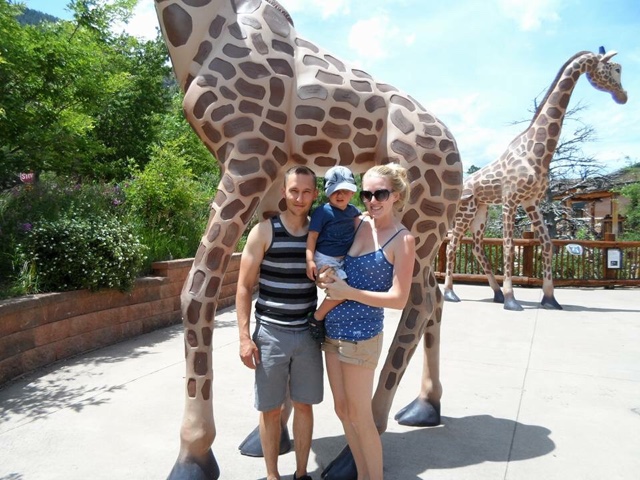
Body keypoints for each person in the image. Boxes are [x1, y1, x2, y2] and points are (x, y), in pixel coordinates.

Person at [318, 164, 416, 480]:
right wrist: (324, 274)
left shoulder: (402, 240)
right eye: (367, 194)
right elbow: (330, 254)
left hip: (361, 336)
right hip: (332, 329)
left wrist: (349, 292)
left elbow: (399, 299)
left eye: (380, 194)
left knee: (361, 416)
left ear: (396, 195)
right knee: (342, 410)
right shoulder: (357, 223)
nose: (372, 201)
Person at [236, 166, 323, 480]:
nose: (299, 198)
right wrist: (244, 337)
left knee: (304, 405)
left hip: (308, 334)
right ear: (284, 192)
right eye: (294, 190)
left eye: (306, 191)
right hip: (271, 333)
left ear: (315, 194)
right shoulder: (264, 231)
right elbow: (244, 286)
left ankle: (301, 474)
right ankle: (272, 475)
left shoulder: (319, 235)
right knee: (270, 409)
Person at [306, 166, 360, 341]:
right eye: (335, 191)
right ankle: (317, 318)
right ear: (327, 192)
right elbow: (312, 236)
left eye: (345, 191)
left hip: (344, 260)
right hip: (325, 259)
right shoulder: (322, 212)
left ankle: (329, 319)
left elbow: (364, 219)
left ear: (352, 193)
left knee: (348, 288)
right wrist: (310, 260)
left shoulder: (352, 211)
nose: (340, 195)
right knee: (342, 290)